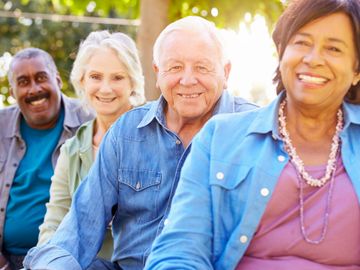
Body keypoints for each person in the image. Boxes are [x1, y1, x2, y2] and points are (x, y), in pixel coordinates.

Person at [23, 16, 257, 270]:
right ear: (157, 72)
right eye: (175, 67)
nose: (188, 80)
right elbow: (78, 228)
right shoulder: (126, 132)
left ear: (226, 71)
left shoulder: (254, 132)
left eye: (202, 67)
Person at [145, 0, 360, 269]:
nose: (313, 58)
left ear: (356, 70)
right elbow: (179, 251)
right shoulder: (219, 138)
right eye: (302, 43)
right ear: (281, 52)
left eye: (333, 48)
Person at [37, 30, 146, 261]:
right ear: (82, 81)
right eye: (96, 76)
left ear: (132, 82)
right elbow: (54, 221)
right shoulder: (72, 150)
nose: (105, 88)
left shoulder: (153, 139)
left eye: (117, 77)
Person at [0, 48, 93, 270]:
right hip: (7, 260)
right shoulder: (1, 126)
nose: (34, 89)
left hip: (69, 258)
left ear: (58, 80)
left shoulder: (90, 121)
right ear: (13, 92)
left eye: (41, 78)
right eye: (23, 82)